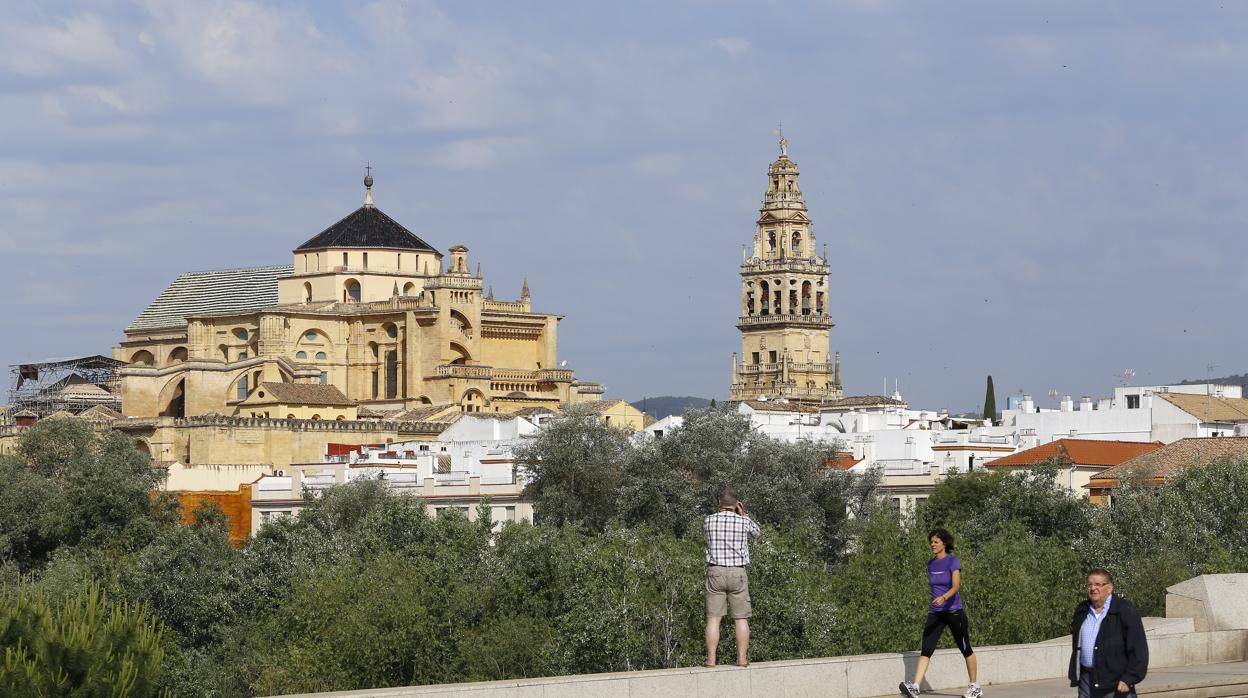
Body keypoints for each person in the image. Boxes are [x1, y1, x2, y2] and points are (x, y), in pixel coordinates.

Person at [900, 528, 980, 698]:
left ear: (944, 543)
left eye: (936, 542)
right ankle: (915, 687)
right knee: (926, 649)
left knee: (965, 648)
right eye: (931, 542)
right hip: (936, 612)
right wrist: (937, 601)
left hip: (954, 611)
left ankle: (974, 686)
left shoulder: (953, 562)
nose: (932, 544)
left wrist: (944, 597)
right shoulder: (931, 564)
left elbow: (956, 586)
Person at [703, 486, 762, 667]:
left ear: (719, 503)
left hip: (716, 571)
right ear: (737, 503)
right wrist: (744, 515)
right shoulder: (743, 522)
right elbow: (758, 534)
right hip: (738, 572)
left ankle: (712, 659)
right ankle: (742, 659)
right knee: (741, 618)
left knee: (714, 618)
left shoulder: (708, 521)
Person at [1068, 568, 1148, 698]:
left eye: (1098, 584)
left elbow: (1138, 648)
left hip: (1115, 682)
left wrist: (1129, 678)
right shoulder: (1082, 610)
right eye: (1089, 584)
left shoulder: (1124, 610)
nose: (1093, 588)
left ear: (1109, 588)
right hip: (1086, 680)